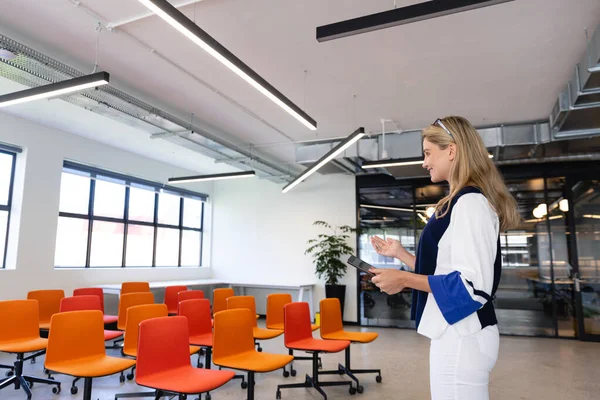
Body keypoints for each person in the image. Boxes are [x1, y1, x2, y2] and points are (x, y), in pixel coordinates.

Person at [369, 116, 520, 400]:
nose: (424, 162)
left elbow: (470, 287)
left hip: (463, 335)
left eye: (428, 153)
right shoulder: (460, 201)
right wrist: (400, 255)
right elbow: (443, 271)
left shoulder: (470, 203)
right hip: (457, 334)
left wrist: (402, 279)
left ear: (451, 150)